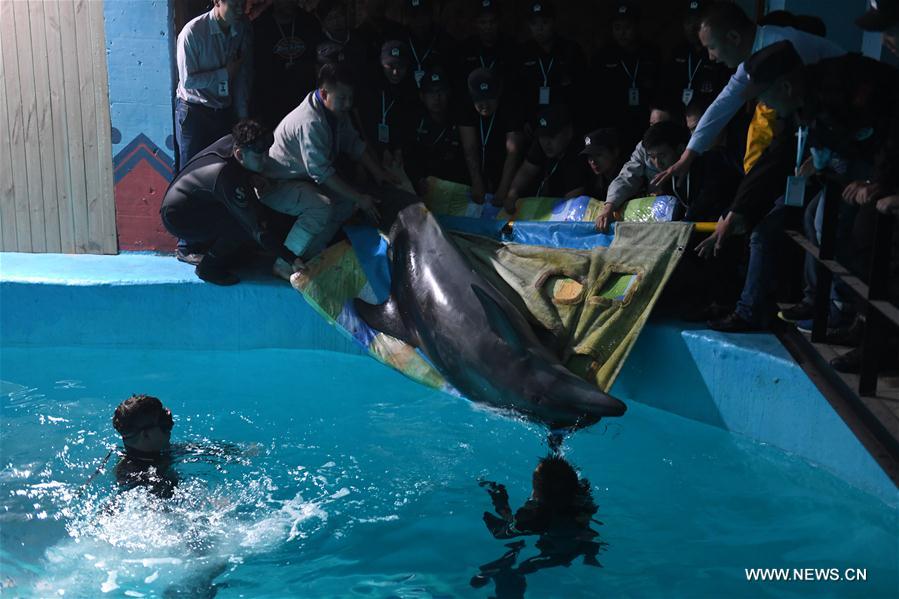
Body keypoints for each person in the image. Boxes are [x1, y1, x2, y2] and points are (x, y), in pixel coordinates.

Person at [701, 41, 899, 332]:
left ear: (785, 87)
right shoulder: (805, 102)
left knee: (845, 226)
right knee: (812, 217)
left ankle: (856, 317)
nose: (764, 105)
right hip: (867, 170)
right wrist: (738, 210)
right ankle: (826, 303)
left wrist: (879, 182)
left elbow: (890, 131)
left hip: (886, 171)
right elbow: (776, 159)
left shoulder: (842, 87)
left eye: (764, 96)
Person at [652, 1, 844, 189]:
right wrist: (687, 157)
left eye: (711, 47)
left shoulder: (784, 47)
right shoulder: (756, 53)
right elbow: (724, 103)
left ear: (734, 37)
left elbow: (832, 107)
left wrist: (820, 152)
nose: (711, 57)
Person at [264, 62, 409, 278]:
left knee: (346, 202)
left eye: (351, 98)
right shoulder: (310, 122)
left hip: (304, 179)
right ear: (323, 93)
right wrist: (361, 198)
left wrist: (379, 173)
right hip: (275, 185)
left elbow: (354, 144)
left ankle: (310, 257)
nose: (348, 104)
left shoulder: (336, 111)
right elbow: (320, 172)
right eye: (342, 98)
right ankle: (284, 263)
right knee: (321, 206)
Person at [161, 120, 303, 286]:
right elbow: (258, 229)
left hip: (199, 204)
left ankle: (228, 254)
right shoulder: (225, 176)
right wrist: (291, 259)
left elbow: (239, 170)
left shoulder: (234, 142)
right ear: (240, 154)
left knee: (246, 215)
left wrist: (251, 176)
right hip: (179, 218)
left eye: (267, 153)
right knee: (243, 223)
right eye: (259, 156)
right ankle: (208, 269)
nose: (266, 160)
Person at [471, 455, 603, 598]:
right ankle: (589, 553)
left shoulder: (536, 518)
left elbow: (507, 532)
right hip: (575, 538)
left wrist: (502, 505)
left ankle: (502, 572)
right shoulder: (581, 493)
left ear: (538, 494)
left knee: (522, 561)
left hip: (559, 550)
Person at [175, 0, 253, 169]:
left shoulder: (240, 29)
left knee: (221, 168)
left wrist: (242, 115)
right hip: (194, 110)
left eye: (243, 3)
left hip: (222, 109)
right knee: (190, 170)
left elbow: (241, 75)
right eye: (235, 5)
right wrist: (224, 74)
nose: (241, 9)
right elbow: (188, 81)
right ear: (217, 1)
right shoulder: (192, 33)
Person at [593, 100, 681, 231]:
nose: (655, 131)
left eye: (661, 125)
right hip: (658, 216)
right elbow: (627, 176)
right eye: (652, 125)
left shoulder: (690, 148)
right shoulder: (644, 146)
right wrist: (609, 207)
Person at [589, 2, 660, 149]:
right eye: (617, 27)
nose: (622, 32)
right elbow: (594, 95)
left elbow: (660, 89)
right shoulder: (603, 56)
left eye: (627, 27)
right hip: (612, 124)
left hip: (644, 122)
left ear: (636, 27)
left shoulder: (650, 53)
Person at [458, 68, 527, 206]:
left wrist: (503, 189)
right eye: (479, 100)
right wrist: (476, 182)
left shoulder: (510, 107)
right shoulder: (465, 107)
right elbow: (469, 149)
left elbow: (513, 152)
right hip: (475, 165)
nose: (485, 105)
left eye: (490, 98)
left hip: (502, 163)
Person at [504, 104, 591, 212]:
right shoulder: (542, 143)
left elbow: (572, 202)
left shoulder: (578, 154)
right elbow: (526, 171)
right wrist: (512, 194)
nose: (546, 143)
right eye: (543, 136)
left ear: (568, 131)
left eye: (552, 136)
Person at [251, 0, 321, 130]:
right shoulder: (261, 26)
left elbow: (318, 61)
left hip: (305, 102)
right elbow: (254, 72)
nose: (290, 2)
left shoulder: (309, 22)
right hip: (272, 104)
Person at [517, 1, 587, 127]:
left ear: (553, 22)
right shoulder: (523, 52)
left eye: (544, 22)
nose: (540, 28)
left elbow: (582, 91)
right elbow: (517, 92)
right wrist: (523, 120)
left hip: (564, 122)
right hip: (532, 121)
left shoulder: (570, 50)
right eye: (534, 24)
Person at [404, 67, 469, 195]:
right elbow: (410, 158)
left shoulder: (460, 120)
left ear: (448, 93)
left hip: (457, 187)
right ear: (422, 96)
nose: (436, 98)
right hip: (426, 188)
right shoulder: (415, 123)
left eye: (441, 91)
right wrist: (418, 179)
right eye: (431, 93)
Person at [355, 40, 420, 163]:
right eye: (390, 66)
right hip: (369, 147)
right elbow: (364, 122)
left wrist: (399, 149)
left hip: (398, 150)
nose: (395, 72)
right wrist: (381, 150)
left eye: (401, 66)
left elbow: (407, 121)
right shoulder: (369, 86)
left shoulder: (410, 89)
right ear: (381, 62)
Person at [661, 0, 731, 109]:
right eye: (688, 21)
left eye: (697, 21)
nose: (691, 26)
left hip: (708, 113)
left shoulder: (718, 52)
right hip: (677, 114)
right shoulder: (678, 51)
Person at [111, 394, 177, 498]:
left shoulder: (159, 451)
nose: (171, 426)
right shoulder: (138, 476)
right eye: (165, 424)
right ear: (146, 435)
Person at [459, 0, 520, 86]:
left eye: (492, 22)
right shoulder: (466, 48)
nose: (488, 27)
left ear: (499, 22)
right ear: (476, 23)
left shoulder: (511, 47)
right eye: (483, 22)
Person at [403, 0, 457, 88]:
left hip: (437, 92)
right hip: (407, 93)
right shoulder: (400, 38)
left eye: (423, 15)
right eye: (414, 16)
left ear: (431, 15)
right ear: (407, 18)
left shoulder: (444, 40)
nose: (419, 20)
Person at [580, 128, 624, 201]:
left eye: (598, 155)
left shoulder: (631, 177)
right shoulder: (594, 182)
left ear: (615, 152)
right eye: (590, 156)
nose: (593, 161)